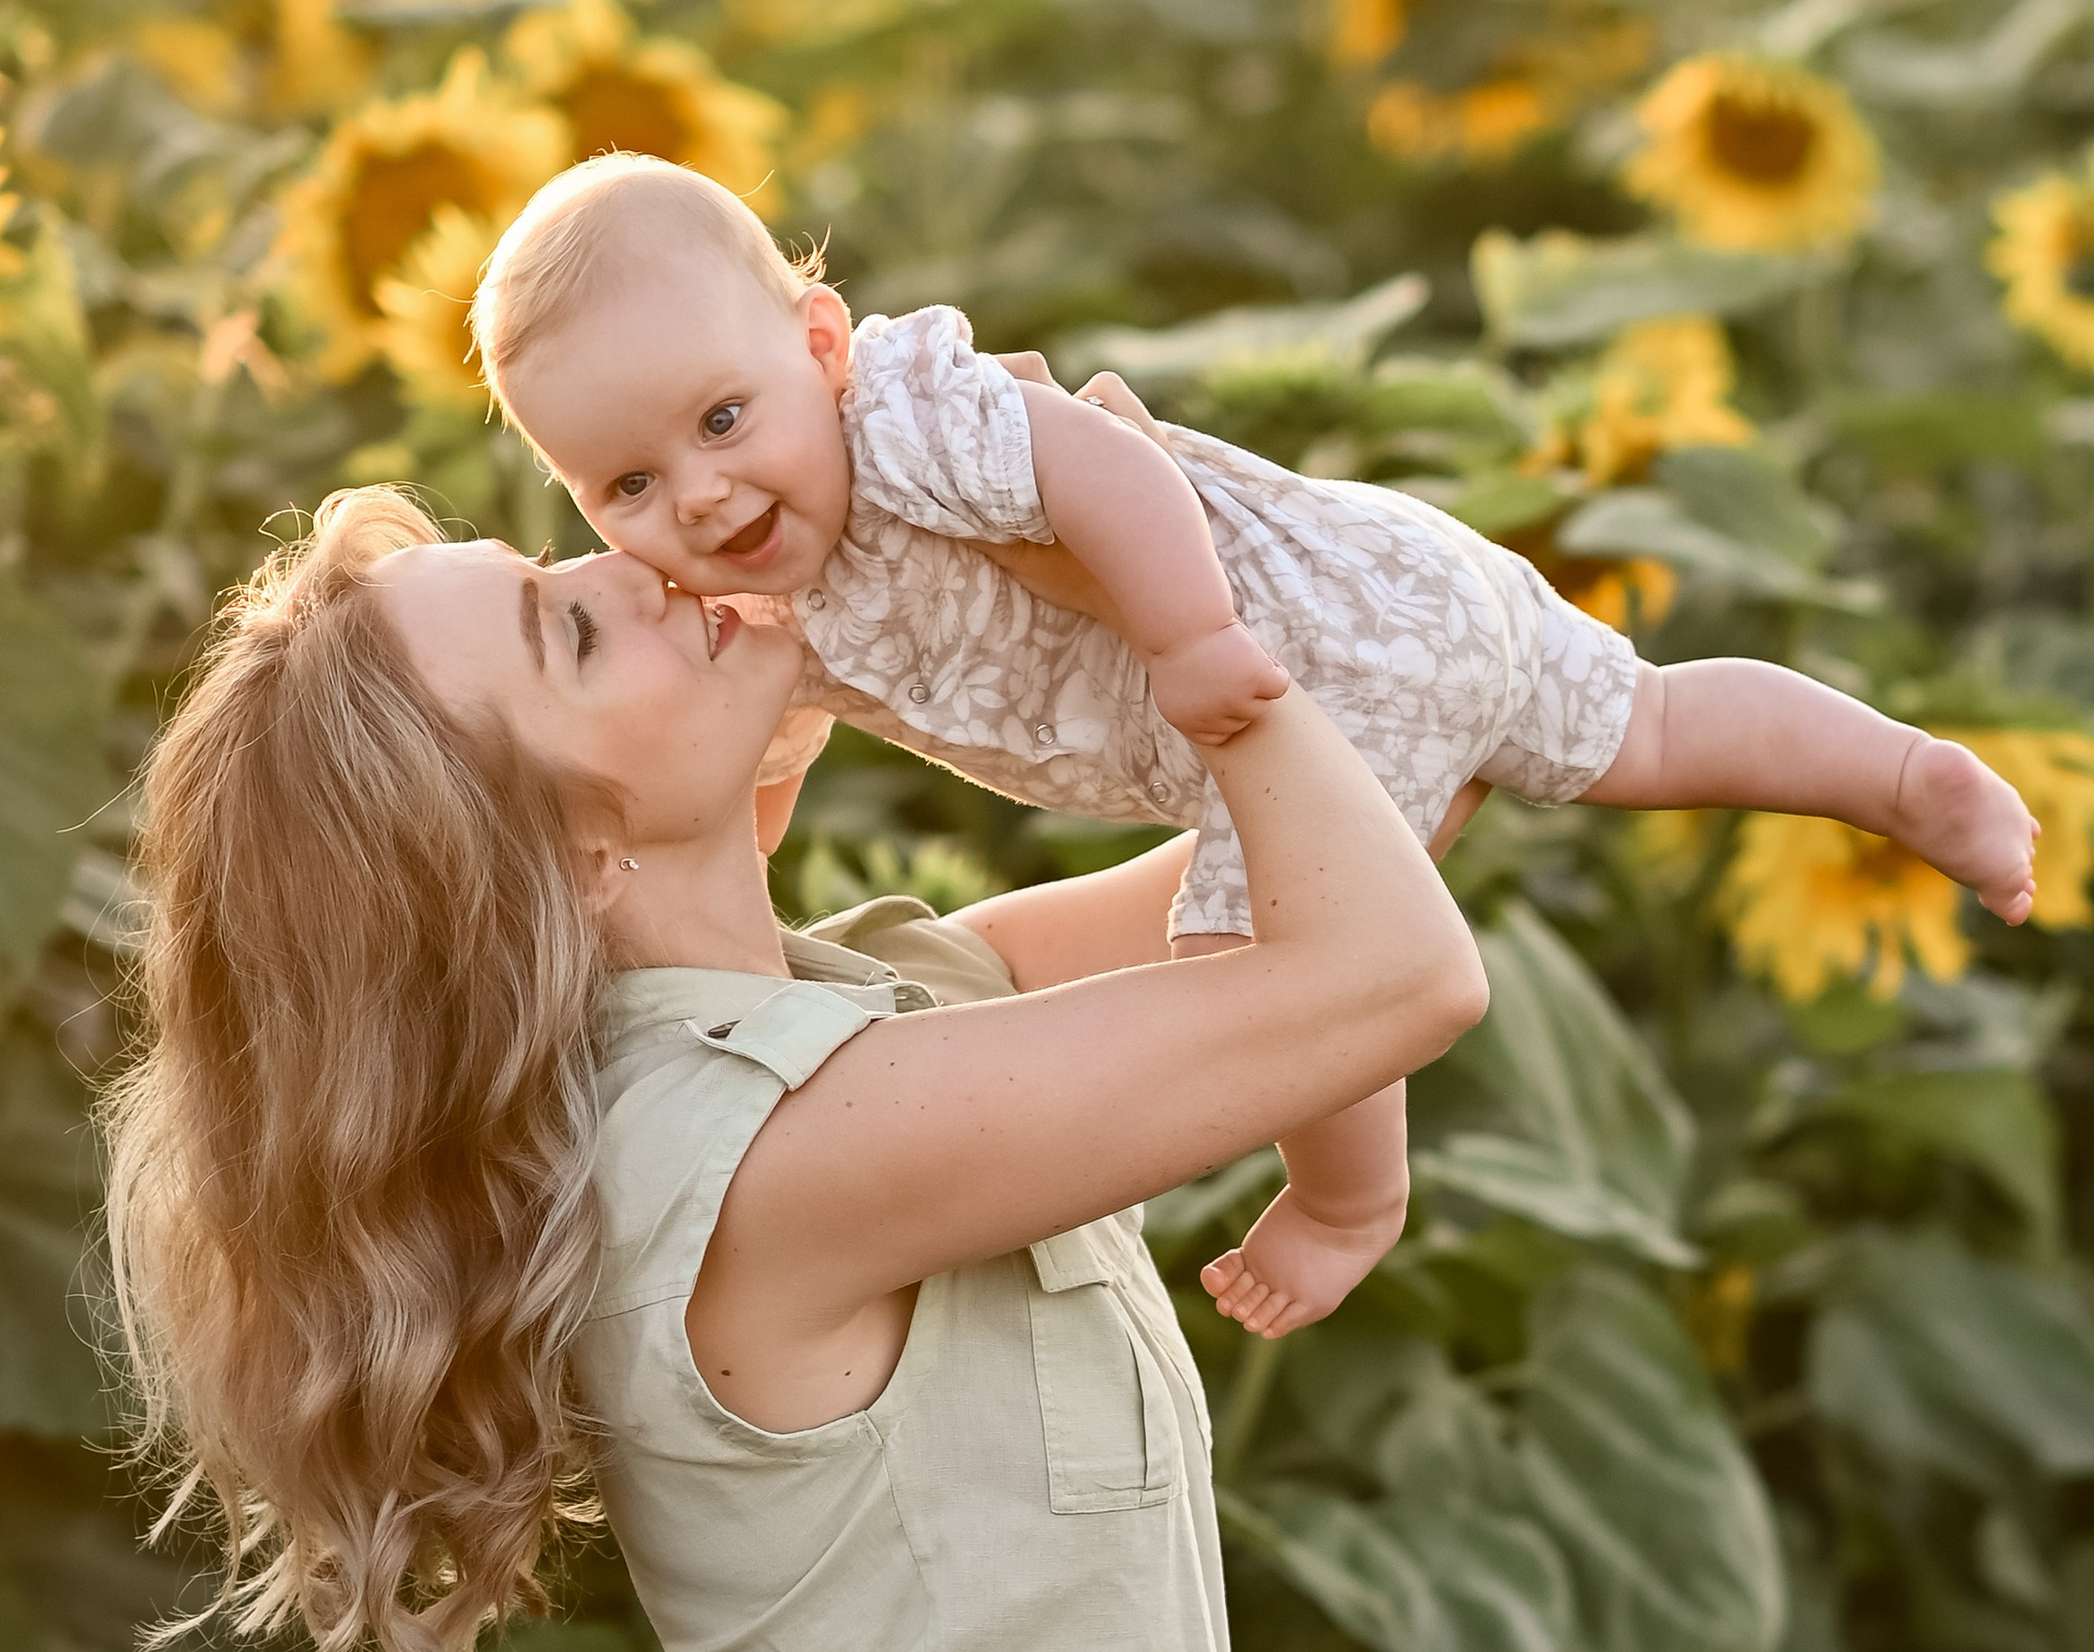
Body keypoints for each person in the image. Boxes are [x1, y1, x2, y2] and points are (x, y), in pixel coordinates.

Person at [466, 154, 2043, 1337]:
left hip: (1289, 650)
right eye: (626, 486)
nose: (700, 499)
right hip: (1404, 584)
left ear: (819, 342)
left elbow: (1104, 465)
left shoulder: (897, 425)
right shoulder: (780, 587)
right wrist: (742, 839)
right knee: (1651, 716)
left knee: (1272, 968)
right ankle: (1903, 776)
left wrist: (1191, 639)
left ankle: (1350, 1199)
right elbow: (784, 737)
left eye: (722, 422)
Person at [98, 486, 1486, 1652]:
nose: (627, 563)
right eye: (570, 628)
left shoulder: (854, 1009)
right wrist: (1161, 606)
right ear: (574, 859)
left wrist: (1073, 557)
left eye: (552, 559)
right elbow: (1392, 972)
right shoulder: (747, 1162)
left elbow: (1376, 826)